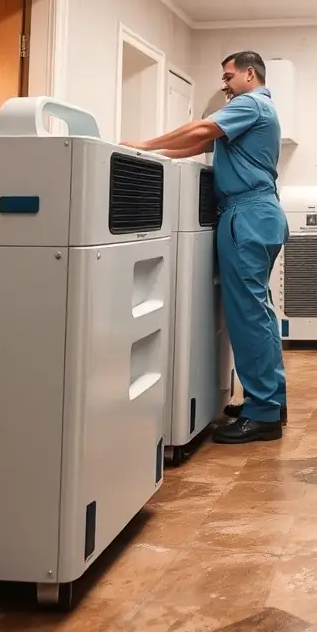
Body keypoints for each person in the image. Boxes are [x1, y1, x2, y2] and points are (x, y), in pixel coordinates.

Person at [123, 51, 288, 444]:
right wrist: (151, 155)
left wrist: (144, 143)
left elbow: (200, 129)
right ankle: (269, 401)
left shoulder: (250, 103)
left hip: (246, 215)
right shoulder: (257, 111)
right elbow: (200, 145)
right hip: (258, 214)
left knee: (249, 315)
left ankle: (263, 412)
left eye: (229, 76)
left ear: (250, 74)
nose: (224, 84)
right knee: (258, 313)